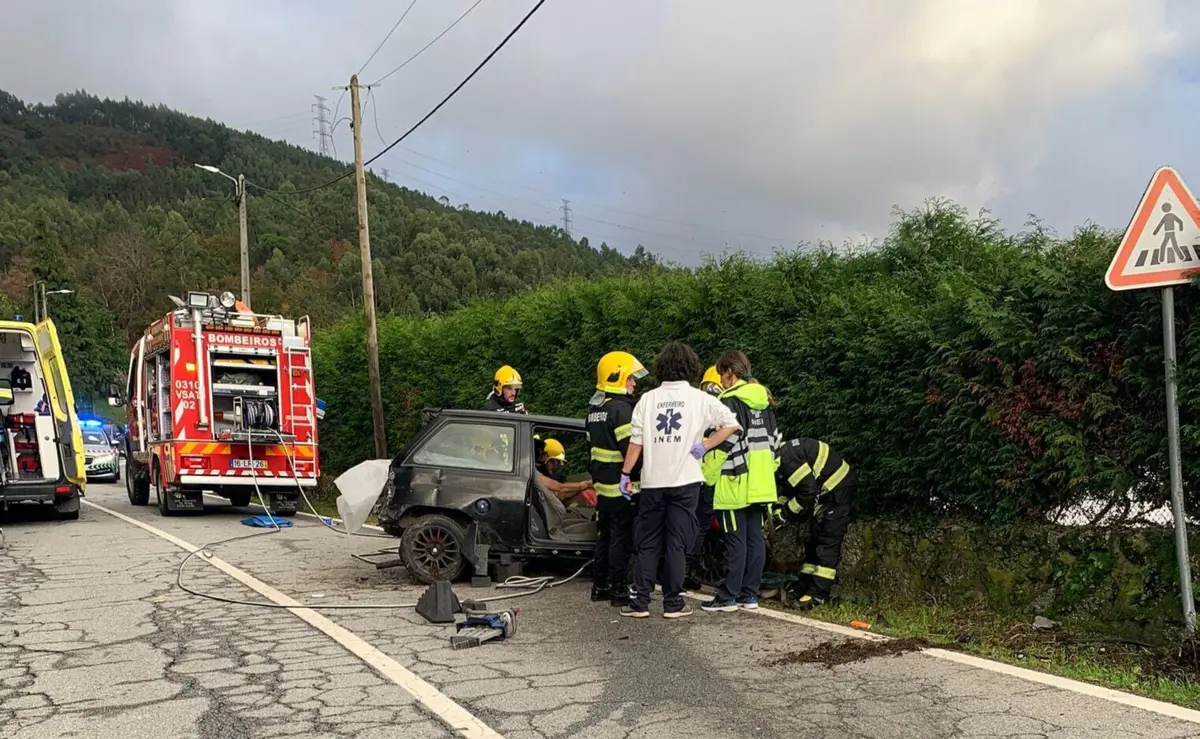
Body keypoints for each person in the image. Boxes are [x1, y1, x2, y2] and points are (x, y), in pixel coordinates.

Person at [618, 342, 740, 619]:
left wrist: (625, 475)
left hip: (652, 483)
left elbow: (636, 443)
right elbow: (731, 424)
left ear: (661, 367)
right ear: (691, 367)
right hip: (686, 482)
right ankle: (673, 603)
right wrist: (706, 444)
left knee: (648, 542)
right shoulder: (701, 399)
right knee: (677, 542)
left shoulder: (647, 400)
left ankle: (640, 602)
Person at [701, 350, 779, 613]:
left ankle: (727, 597)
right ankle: (749, 594)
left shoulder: (730, 402)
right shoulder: (763, 402)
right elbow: (775, 443)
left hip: (734, 481)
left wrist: (706, 476)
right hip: (762, 483)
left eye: (722, 374)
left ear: (730, 373)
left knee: (735, 540)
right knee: (754, 538)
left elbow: (722, 444)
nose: (721, 380)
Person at [586, 351, 648, 606]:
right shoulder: (622, 410)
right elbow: (631, 451)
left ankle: (600, 587)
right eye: (630, 378)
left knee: (605, 537)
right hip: (623, 486)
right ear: (617, 376)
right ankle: (619, 590)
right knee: (621, 539)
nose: (633, 384)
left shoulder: (595, 410)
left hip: (603, 485)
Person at [775, 437, 856, 610]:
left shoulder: (788, 460)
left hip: (837, 491)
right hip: (825, 491)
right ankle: (803, 586)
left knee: (828, 542)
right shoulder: (784, 458)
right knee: (813, 540)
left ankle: (818, 594)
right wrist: (778, 508)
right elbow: (790, 489)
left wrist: (785, 513)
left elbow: (807, 491)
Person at [684, 365, 724, 590]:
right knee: (700, 526)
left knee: (684, 523)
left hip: (686, 476)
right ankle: (687, 571)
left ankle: (679, 569)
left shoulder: (693, 406)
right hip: (706, 479)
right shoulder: (718, 411)